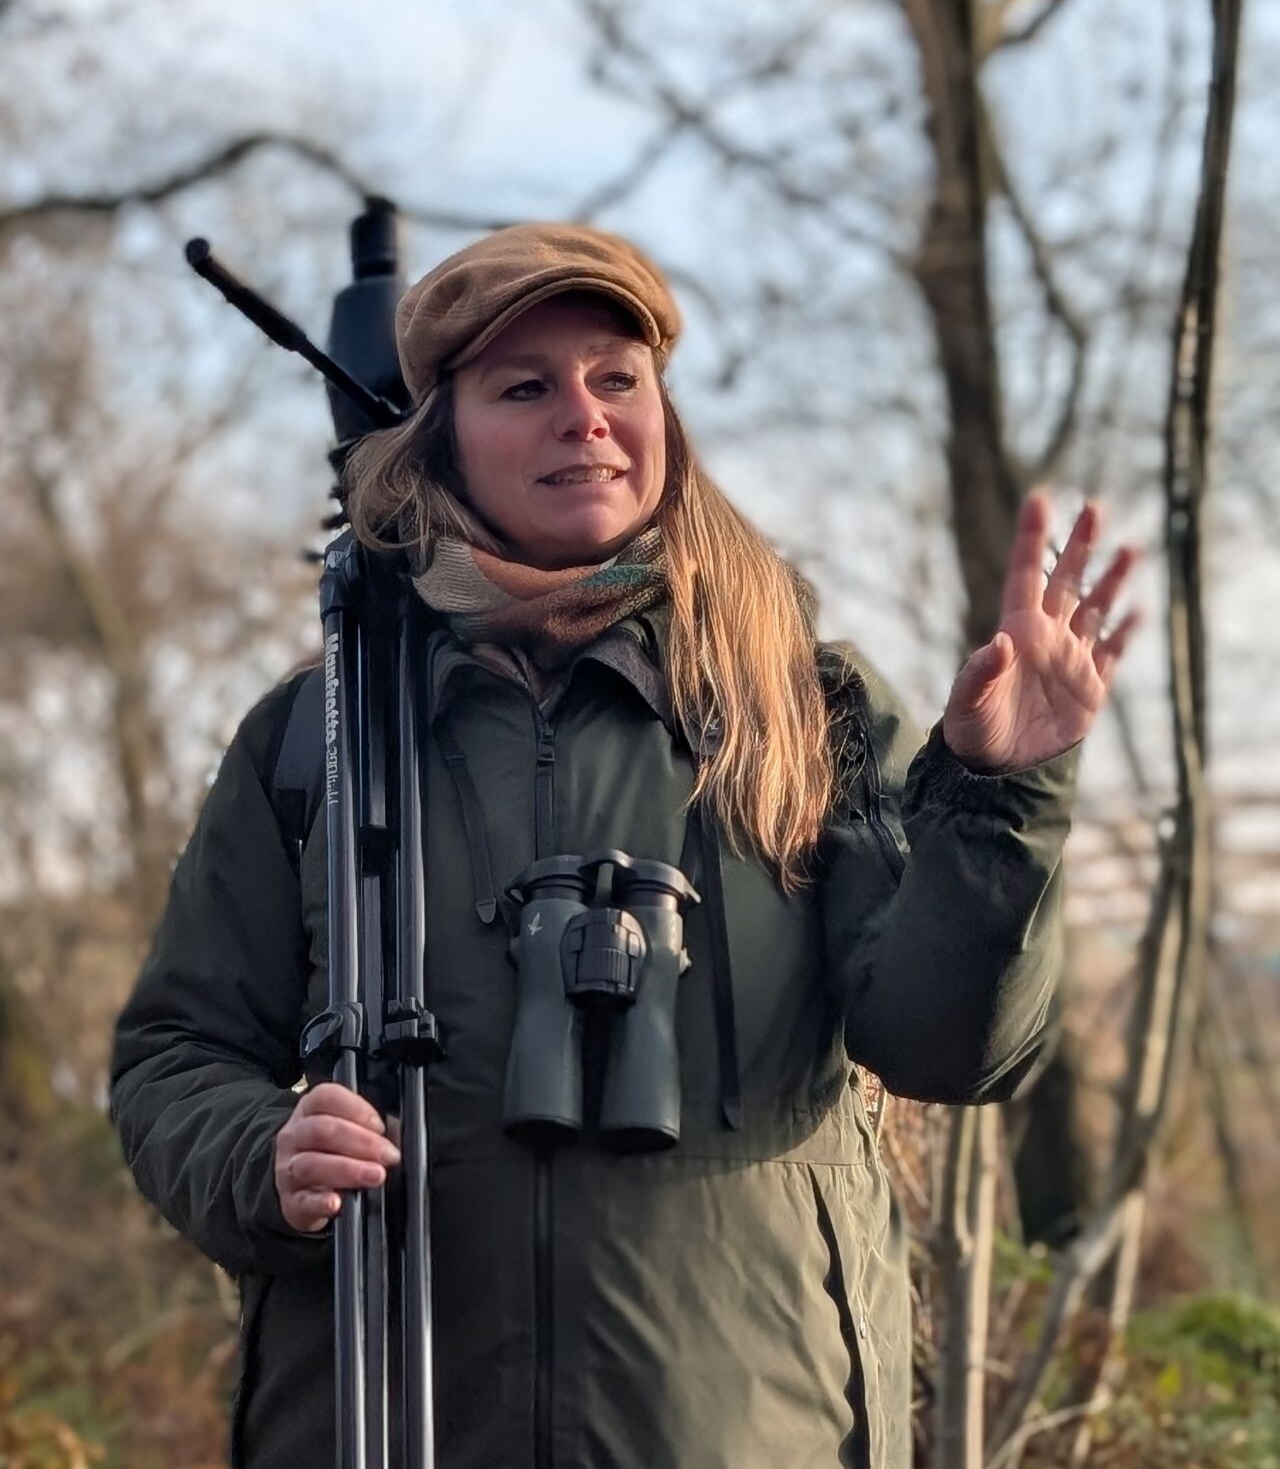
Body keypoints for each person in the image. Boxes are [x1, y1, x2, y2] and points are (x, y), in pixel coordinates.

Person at [110, 222, 1137, 1469]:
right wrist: (257, 1155)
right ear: (439, 436)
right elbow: (176, 1051)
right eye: (523, 387)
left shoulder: (799, 707)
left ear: (661, 414)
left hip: (749, 1428)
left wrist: (998, 792)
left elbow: (948, 1046)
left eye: (614, 378)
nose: (582, 418)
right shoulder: (317, 731)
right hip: (384, 1425)